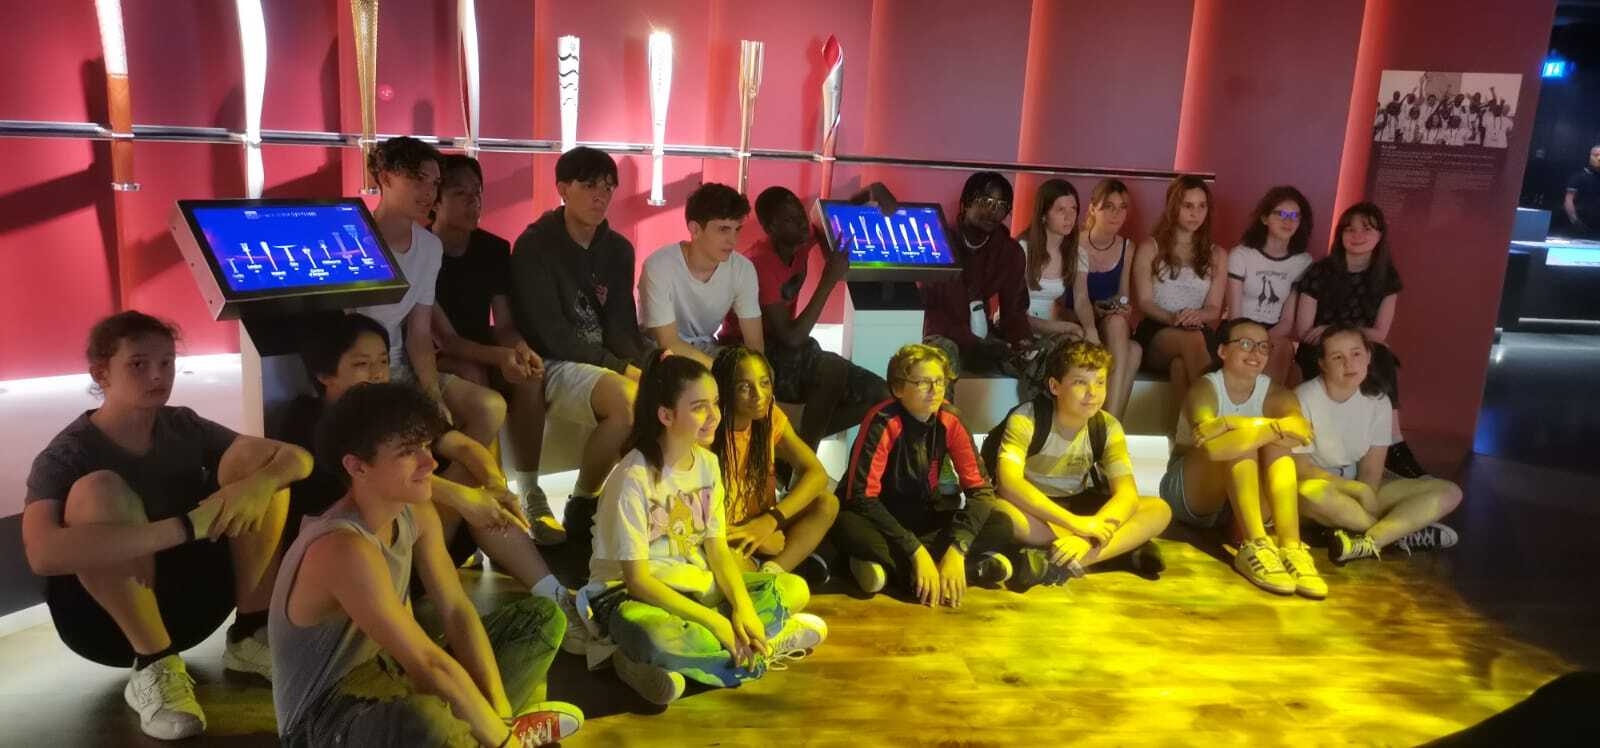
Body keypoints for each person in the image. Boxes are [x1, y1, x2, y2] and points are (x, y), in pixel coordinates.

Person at [21, 311, 312, 740]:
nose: (158, 375)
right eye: (139, 364)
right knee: (98, 490)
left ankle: (251, 633)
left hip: (192, 604)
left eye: (167, 362)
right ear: (101, 373)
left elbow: (297, 458)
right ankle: (154, 664)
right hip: (103, 624)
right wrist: (185, 526)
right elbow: (42, 554)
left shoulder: (182, 424)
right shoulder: (66, 454)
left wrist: (259, 485)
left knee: (259, 464)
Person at [269, 382, 583, 747]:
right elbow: (426, 662)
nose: (430, 462)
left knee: (540, 619)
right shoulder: (342, 547)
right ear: (357, 466)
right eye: (407, 452)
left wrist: (501, 721)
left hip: (394, 674)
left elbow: (456, 611)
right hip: (326, 722)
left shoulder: (415, 510)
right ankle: (483, 735)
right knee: (427, 720)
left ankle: (495, 728)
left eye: (425, 446)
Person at [281, 314, 582, 650]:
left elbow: (465, 447)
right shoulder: (311, 421)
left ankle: (555, 595)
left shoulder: (395, 409)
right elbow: (368, 485)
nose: (377, 373)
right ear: (324, 375)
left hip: (418, 541)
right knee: (461, 497)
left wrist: (495, 484)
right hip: (359, 559)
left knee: (477, 484)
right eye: (362, 364)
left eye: (383, 361)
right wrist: (461, 497)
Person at [574, 356, 827, 706]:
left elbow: (717, 549)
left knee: (794, 588)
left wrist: (742, 608)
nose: (714, 416)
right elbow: (638, 581)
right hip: (627, 597)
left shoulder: (707, 463)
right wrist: (718, 623)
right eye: (699, 408)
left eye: (715, 403)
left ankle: (669, 664)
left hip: (694, 584)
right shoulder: (634, 477)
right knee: (654, 637)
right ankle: (760, 649)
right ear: (666, 415)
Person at [509, 146, 653, 557]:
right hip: (552, 360)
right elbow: (550, 333)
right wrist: (619, 368)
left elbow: (622, 323)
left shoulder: (618, 249)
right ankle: (577, 501)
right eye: (589, 186)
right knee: (625, 400)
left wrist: (642, 365)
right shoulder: (535, 245)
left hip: (600, 359)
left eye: (607, 187)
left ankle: (631, 503)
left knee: (672, 384)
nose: (600, 196)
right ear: (563, 189)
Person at [430, 154, 562, 541]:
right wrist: (499, 357)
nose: (474, 202)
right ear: (436, 200)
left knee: (530, 375)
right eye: (461, 194)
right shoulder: (422, 250)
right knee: (474, 375)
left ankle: (531, 490)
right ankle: (494, 494)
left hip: (482, 344)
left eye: (478, 193)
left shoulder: (492, 249)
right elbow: (445, 339)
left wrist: (518, 349)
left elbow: (503, 323)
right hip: (441, 352)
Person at [352, 137, 507, 453]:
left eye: (434, 183)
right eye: (418, 179)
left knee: (490, 408)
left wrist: (432, 395)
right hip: (362, 371)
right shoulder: (353, 239)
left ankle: (454, 482)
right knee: (409, 436)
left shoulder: (428, 247)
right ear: (385, 178)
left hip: (403, 365)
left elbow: (420, 334)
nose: (428, 192)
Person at [831, 344, 1018, 606]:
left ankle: (893, 573)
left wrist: (958, 548)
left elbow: (981, 491)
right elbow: (862, 497)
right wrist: (915, 550)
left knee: (1001, 523)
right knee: (846, 525)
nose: (935, 390)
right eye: (922, 383)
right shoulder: (882, 421)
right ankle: (968, 571)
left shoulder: (950, 419)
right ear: (898, 389)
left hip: (923, 516)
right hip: (879, 519)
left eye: (940, 381)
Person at [1159, 319, 1327, 598]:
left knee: (1274, 446)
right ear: (1223, 351)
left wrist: (1231, 423)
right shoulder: (1205, 388)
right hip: (1193, 497)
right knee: (1242, 444)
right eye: (1246, 344)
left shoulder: (1276, 392)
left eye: (1263, 346)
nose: (1256, 353)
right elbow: (1214, 449)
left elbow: (1302, 434)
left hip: (1241, 504)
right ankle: (1256, 544)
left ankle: (1291, 547)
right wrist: (1273, 428)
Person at [987, 340, 1170, 587]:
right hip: (1033, 509)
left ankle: (1073, 557)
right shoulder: (1027, 418)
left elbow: (1126, 493)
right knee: (997, 510)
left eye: (1100, 382)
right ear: (1055, 386)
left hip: (1079, 505)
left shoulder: (1108, 426)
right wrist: (1077, 525)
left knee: (1158, 509)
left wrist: (1087, 536)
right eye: (1080, 382)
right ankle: (1118, 550)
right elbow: (1009, 484)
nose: (1092, 392)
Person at [1291, 326, 1462, 563]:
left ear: (1368, 356)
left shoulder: (1378, 400)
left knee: (1450, 492)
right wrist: (1358, 491)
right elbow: (1301, 469)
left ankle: (1372, 539)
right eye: (1337, 357)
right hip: (1322, 487)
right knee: (1310, 494)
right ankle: (1400, 533)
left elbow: (1371, 470)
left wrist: (1366, 493)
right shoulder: (1302, 398)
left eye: (1356, 354)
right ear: (1322, 363)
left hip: (1358, 486)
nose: (1349, 364)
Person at [745, 185, 892, 446]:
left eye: (800, 214)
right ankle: (803, 455)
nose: (802, 223)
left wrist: (873, 191)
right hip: (757, 349)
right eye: (790, 220)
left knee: (881, 395)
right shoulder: (760, 263)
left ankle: (796, 448)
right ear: (771, 228)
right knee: (831, 367)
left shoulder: (802, 239)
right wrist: (828, 280)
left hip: (793, 350)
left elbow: (838, 211)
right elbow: (791, 337)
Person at [1293, 202, 1428, 478]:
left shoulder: (1386, 278)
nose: (1357, 235)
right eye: (1350, 229)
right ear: (1340, 234)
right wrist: (1339, 335)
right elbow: (1305, 330)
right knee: (1361, 355)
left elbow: (1380, 333)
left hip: (1361, 348)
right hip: (1320, 348)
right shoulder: (1320, 271)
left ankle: (1394, 441)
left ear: (1380, 235)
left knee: (1382, 356)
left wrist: (1335, 329)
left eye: (1366, 229)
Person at [709, 347, 838, 584]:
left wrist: (770, 521)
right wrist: (753, 537)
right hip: (727, 535)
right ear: (725, 389)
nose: (759, 395)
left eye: (764, 383)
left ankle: (772, 571)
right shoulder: (709, 429)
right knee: (723, 565)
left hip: (766, 521)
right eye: (744, 387)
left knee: (826, 503)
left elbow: (817, 473)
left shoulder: (770, 416)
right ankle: (781, 571)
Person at [921, 171, 1034, 376]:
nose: (993, 211)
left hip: (981, 333)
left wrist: (1023, 342)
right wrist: (971, 342)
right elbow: (932, 310)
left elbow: (1014, 312)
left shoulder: (1009, 252)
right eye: (986, 202)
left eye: (1001, 206)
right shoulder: (939, 243)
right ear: (966, 203)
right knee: (942, 357)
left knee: (1039, 360)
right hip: (942, 333)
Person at [639, 182, 764, 367]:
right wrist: (721, 373)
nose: (733, 240)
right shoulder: (659, 266)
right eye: (723, 229)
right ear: (695, 229)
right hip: (657, 353)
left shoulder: (743, 269)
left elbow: (755, 346)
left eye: (737, 229)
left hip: (706, 348)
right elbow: (668, 343)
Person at [1131, 175, 1228, 412]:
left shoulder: (1217, 254)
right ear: (1174, 207)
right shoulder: (1150, 248)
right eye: (1188, 206)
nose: (1196, 213)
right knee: (1192, 340)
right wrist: (1173, 318)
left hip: (1198, 329)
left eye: (1202, 206)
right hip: (1157, 329)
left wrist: (1196, 316)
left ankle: (1189, 429)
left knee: (1179, 366)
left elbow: (1214, 308)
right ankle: (1218, 417)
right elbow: (1144, 302)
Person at [1069, 179, 1143, 419]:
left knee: (1122, 328)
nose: (1116, 214)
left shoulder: (1127, 247)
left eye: (1122, 208)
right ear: (1093, 208)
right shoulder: (1075, 242)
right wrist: (1095, 311)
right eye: (1109, 207)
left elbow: (1123, 295)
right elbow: (1075, 297)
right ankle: (1111, 424)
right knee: (1133, 351)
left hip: (1110, 323)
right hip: (1079, 320)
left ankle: (1106, 424)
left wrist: (1121, 306)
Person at [1227, 186, 1315, 383]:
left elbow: (1287, 321)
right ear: (1265, 218)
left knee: (1286, 352)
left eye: (1295, 216)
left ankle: (1266, 402)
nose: (1288, 221)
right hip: (1238, 328)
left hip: (1275, 331)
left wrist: (1263, 341)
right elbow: (1234, 316)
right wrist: (1253, 340)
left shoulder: (1302, 262)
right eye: (1281, 214)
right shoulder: (1242, 254)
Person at [1015, 178, 1087, 341]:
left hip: (1050, 330)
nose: (1069, 217)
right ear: (1043, 215)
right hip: (1018, 329)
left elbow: (1082, 299)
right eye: (1061, 210)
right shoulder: (1022, 249)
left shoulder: (1077, 253)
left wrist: (1090, 329)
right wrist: (1067, 327)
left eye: (1074, 209)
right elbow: (1015, 314)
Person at [1563, 144, 1600, 237]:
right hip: (1581, 226)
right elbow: (1568, 200)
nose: (1599, 158)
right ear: (1589, 157)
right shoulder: (1578, 177)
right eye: (1596, 155)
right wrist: (1575, 221)